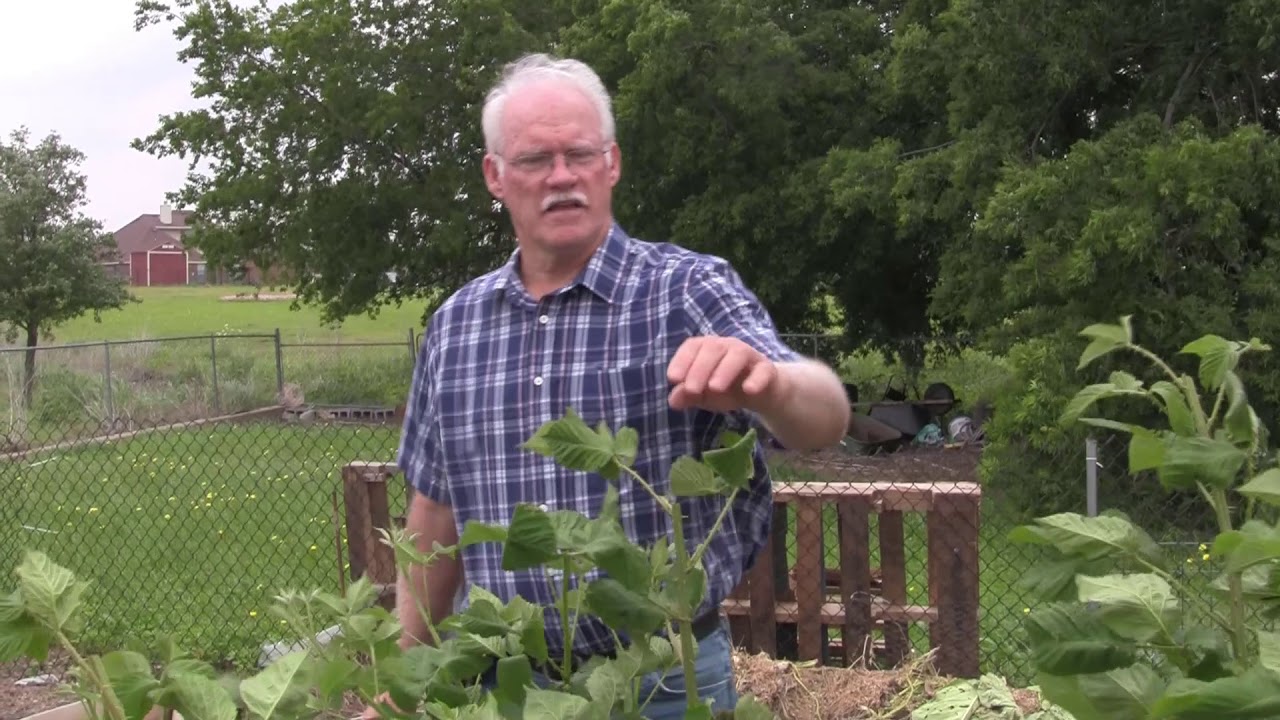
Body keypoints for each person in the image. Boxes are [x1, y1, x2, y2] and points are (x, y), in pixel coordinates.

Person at [365, 52, 850, 719]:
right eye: (535, 160)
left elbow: (824, 416)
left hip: (660, 677)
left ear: (612, 163)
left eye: (580, 154)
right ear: (496, 176)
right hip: (500, 685)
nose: (562, 177)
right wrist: (402, 685)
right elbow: (434, 516)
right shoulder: (456, 326)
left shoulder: (684, 290)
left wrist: (767, 384)